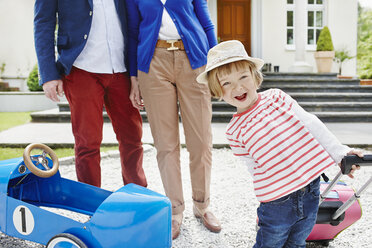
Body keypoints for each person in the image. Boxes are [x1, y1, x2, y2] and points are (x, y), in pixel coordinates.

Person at [197, 40, 362, 248]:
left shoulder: (277, 97)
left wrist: (341, 153)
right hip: (276, 202)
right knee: (271, 242)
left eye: (243, 77)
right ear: (217, 90)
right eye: (226, 83)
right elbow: (251, 164)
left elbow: (311, 123)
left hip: (310, 190)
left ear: (255, 77)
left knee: (298, 240)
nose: (237, 87)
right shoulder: (234, 130)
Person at [125, 0, 221, 239]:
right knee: (166, 145)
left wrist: (216, 65)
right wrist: (133, 76)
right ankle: (175, 211)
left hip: (194, 61)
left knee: (200, 141)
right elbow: (133, 32)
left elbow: (207, 25)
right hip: (153, 63)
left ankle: (202, 205)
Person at [33, 0, 147, 188]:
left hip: (121, 68)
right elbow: (43, 23)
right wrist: (48, 74)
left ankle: (138, 197)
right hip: (81, 68)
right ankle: (90, 203)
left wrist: (137, 71)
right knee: (87, 142)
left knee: (132, 138)